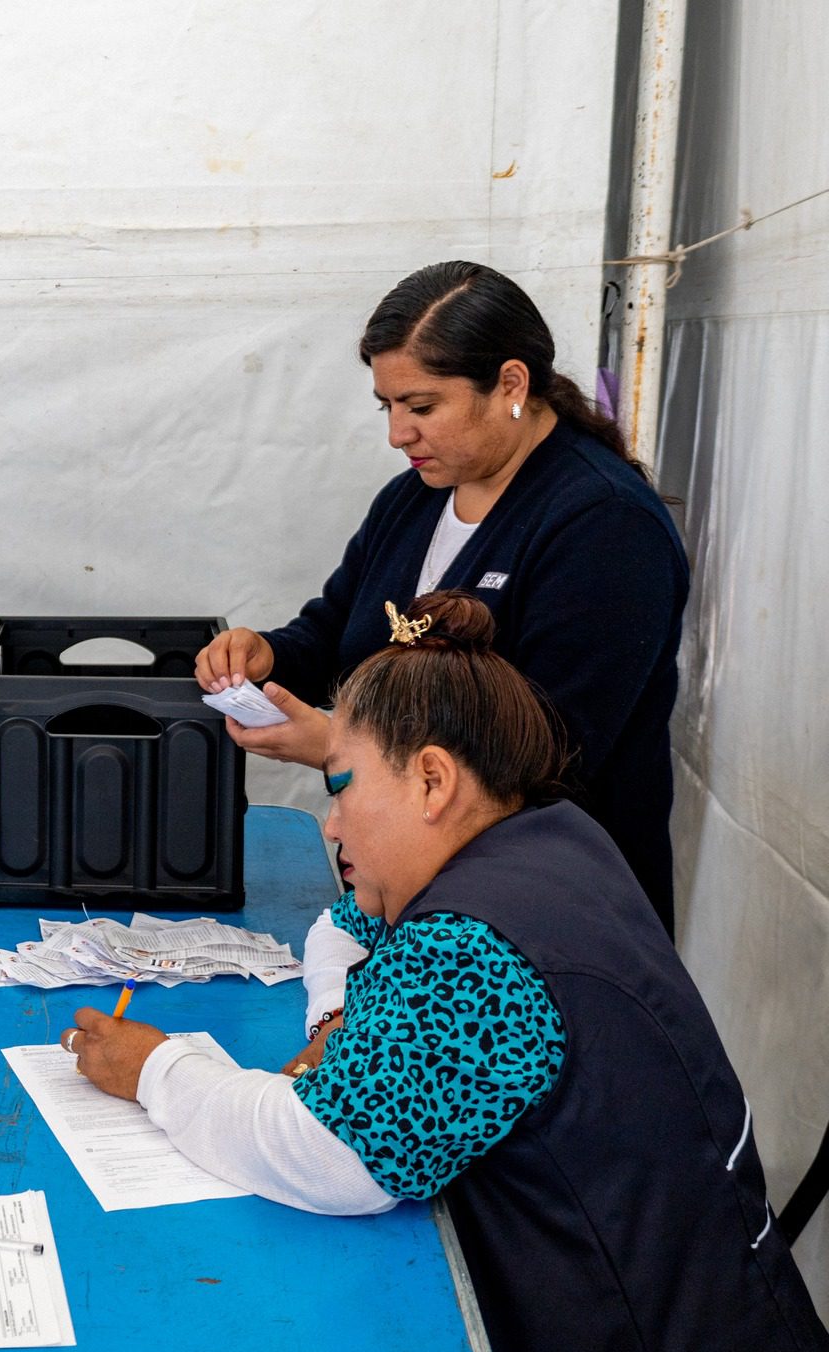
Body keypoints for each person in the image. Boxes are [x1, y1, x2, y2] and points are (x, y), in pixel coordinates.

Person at [67, 591, 828, 1352]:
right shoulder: (542, 835)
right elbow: (342, 928)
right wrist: (338, 1022)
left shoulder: (473, 948)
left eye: (339, 787)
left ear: (432, 780)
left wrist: (156, 1069)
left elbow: (331, 1157)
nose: (330, 825)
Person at [195, 261, 690, 934]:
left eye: (421, 406)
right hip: (417, 911)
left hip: (543, 926)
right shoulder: (412, 500)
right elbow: (337, 638)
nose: (399, 433)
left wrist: (342, 745)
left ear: (510, 384)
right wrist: (262, 658)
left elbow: (546, 756)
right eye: (388, 406)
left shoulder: (606, 526)